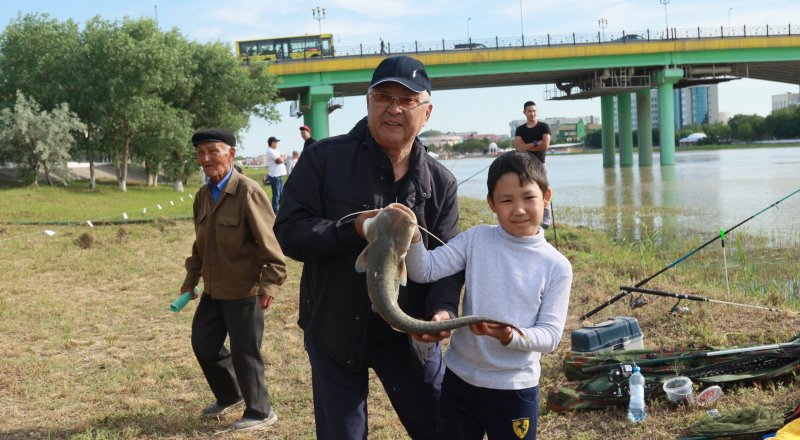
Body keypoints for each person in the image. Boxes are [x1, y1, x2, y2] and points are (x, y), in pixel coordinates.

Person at [273, 55, 463, 440]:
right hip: (335, 328)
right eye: (384, 96)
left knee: (443, 427)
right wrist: (353, 228)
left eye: (408, 100)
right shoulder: (322, 158)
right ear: (368, 101)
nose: (394, 108)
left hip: (409, 335)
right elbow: (290, 232)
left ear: (426, 112)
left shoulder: (442, 183)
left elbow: (449, 261)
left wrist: (441, 310)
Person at [401, 151, 573, 440]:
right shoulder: (476, 239)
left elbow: (550, 336)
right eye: (506, 200)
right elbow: (425, 270)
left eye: (528, 198)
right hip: (459, 381)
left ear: (546, 197)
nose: (518, 209)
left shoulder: (557, 266)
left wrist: (510, 336)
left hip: (514, 389)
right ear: (492, 203)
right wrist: (414, 238)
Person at [180, 128, 288, 432]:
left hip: (245, 289)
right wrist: (191, 278)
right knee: (203, 343)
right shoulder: (203, 196)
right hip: (215, 289)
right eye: (201, 153)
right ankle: (230, 395)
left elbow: (271, 243)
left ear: (231, 153)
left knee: (245, 352)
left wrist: (270, 283)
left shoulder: (248, 192)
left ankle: (260, 410)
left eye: (213, 151)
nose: (206, 159)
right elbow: (200, 244)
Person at [514, 100, 553, 228]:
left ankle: (547, 219)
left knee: (544, 191)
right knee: (526, 192)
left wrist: (527, 146)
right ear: (524, 113)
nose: (532, 114)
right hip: (524, 165)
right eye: (529, 111)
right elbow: (518, 148)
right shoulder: (520, 129)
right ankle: (530, 217)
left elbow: (545, 145)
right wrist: (536, 143)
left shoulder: (544, 127)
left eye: (534, 111)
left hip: (540, 164)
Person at [264, 136, 287, 213]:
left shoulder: (276, 150)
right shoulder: (270, 151)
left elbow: (285, 156)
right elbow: (278, 161)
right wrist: (282, 158)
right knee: (276, 195)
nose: (277, 143)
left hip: (279, 175)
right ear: (272, 143)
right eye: (276, 142)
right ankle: (275, 211)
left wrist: (282, 158)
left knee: (281, 194)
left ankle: (282, 210)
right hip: (275, 175)